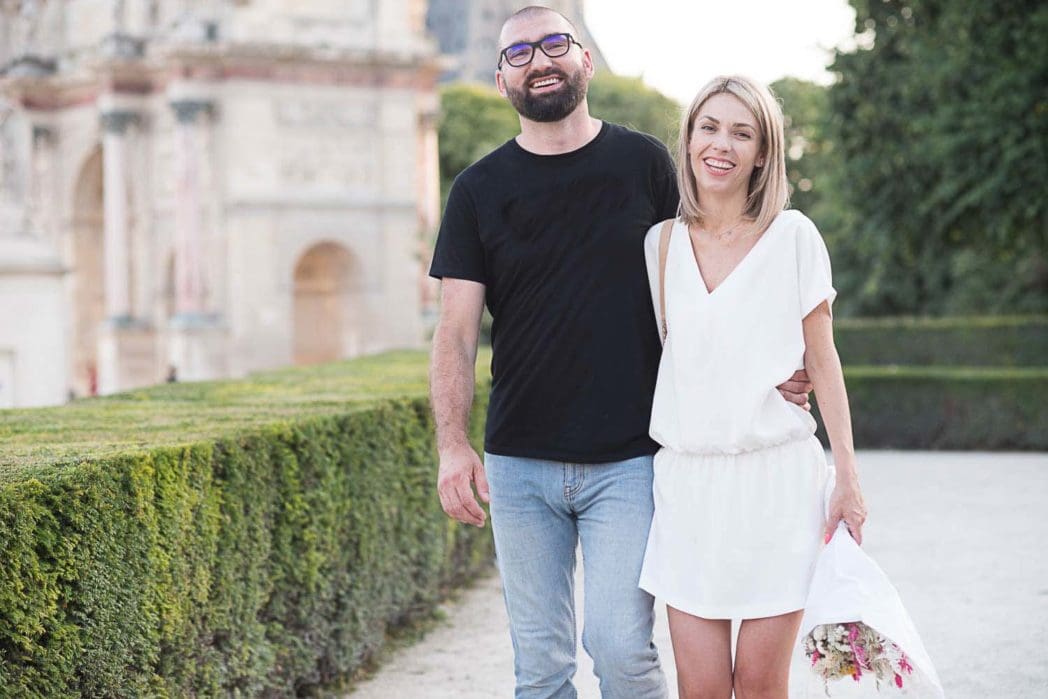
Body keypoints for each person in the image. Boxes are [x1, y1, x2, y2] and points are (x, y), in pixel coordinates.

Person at [428, 8, 810, 697]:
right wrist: (453, 444)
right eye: (520, 52)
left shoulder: (646, 165)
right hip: (519, 461)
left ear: (585, 59)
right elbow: (454, 330)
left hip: (631, 459)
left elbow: (712, 281)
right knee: (539, 670)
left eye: (554, 43)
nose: (539, 61)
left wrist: (783, 362)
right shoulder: (477, 190)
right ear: (500, 76)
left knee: (622, 649)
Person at [637, 75, 868, 699]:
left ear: (763, 152)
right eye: (709, 127)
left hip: (777, 484)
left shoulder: (794, 236)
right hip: (688, 486)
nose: (722, 144)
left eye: (743, 133)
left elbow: (824, 360)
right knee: (702, 689)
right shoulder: (660, 246)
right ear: (688, 141)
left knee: (762, 685)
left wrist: (847, 476)